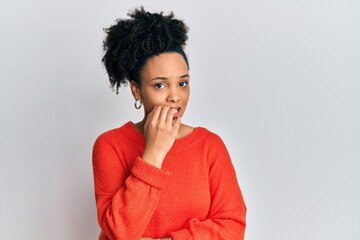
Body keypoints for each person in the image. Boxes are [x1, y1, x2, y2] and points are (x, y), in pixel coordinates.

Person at [92, 6, 246, 240]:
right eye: (160, 85)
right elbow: (119, 232)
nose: (175, 96)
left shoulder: (210, 146)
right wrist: (153, 153)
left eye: (182, 83)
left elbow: (233, 226)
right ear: (136, 90)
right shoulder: (110, 145)